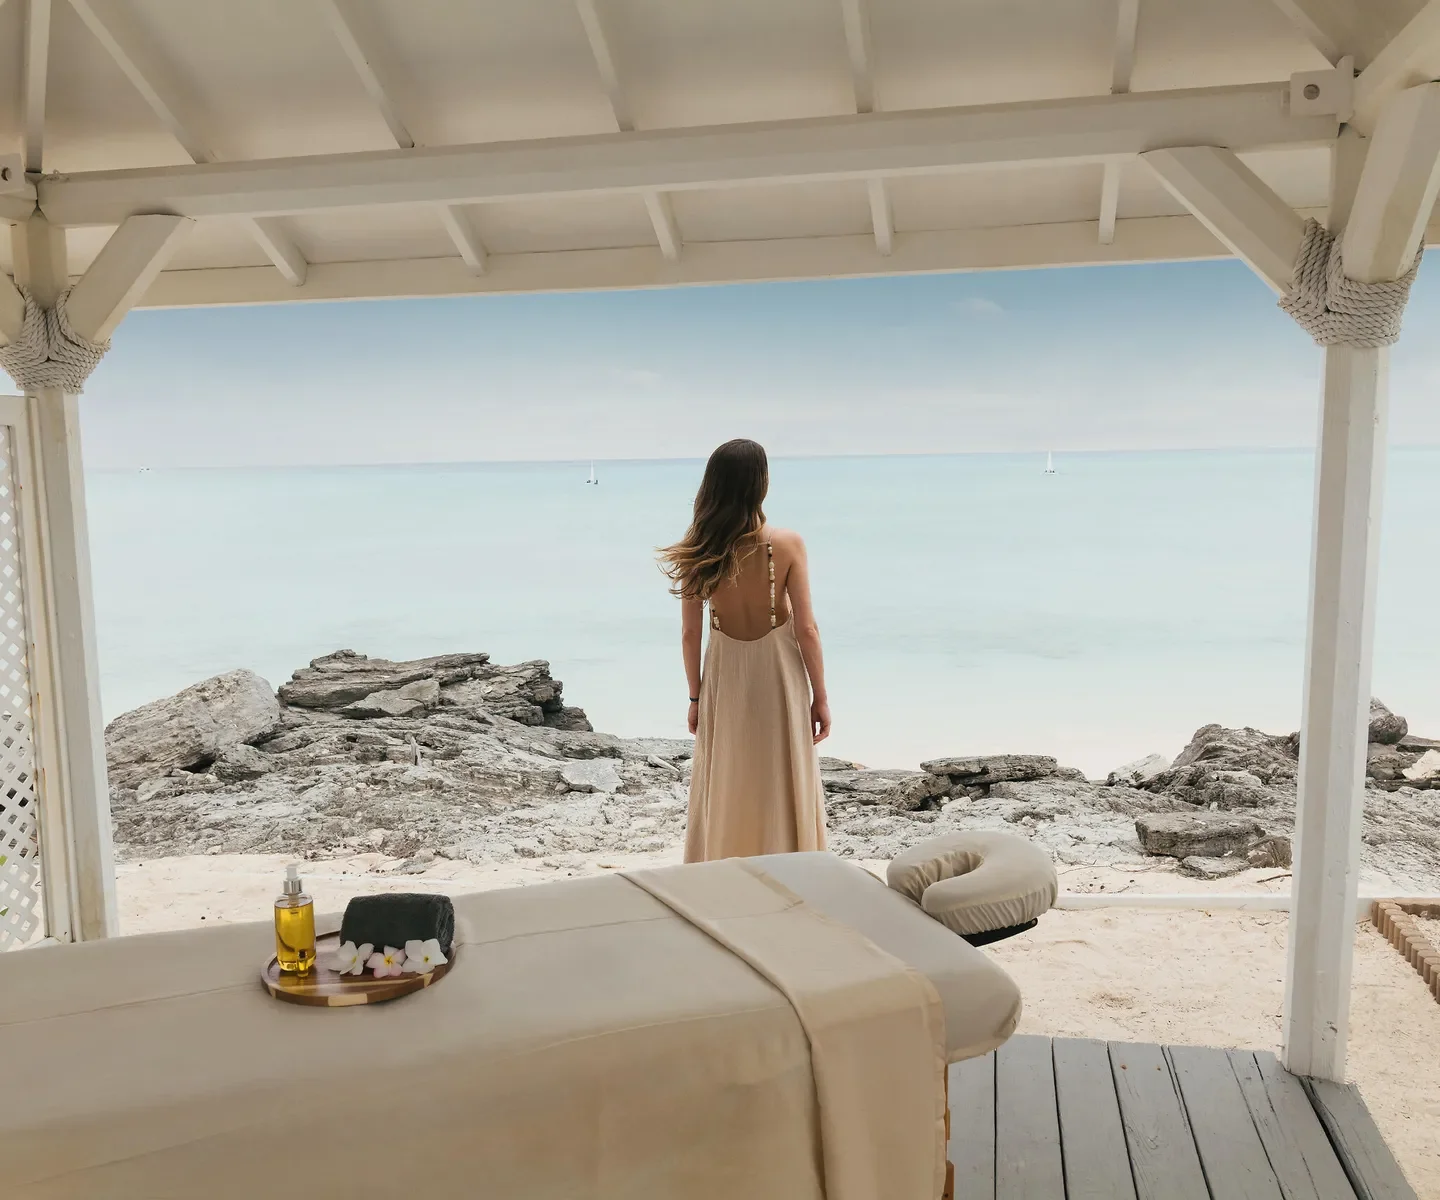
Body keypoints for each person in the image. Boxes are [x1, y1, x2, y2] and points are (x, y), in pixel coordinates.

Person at [659, 438, 829, 862]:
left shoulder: (699, 550)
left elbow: (688, 635)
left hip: (725, 678)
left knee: (729, 774)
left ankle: (722, 864)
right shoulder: (788, 543)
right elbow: (807, 628)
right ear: (761, 484)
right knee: (781, 773)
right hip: (780, 678)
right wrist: (821, 697)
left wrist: (695, 696)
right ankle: (791, 864)